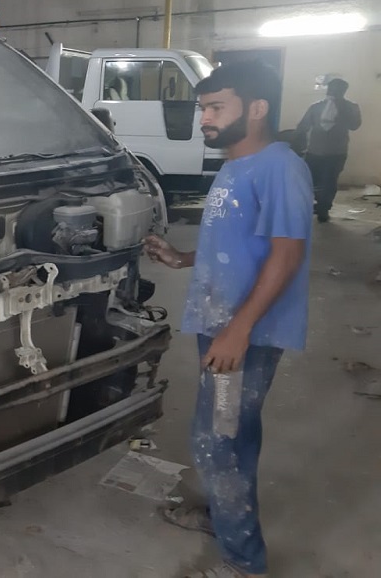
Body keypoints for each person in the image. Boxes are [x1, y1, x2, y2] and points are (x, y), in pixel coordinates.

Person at [144, 61, 312, 578]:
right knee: (233, 433)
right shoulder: (236, 165)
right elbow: (240, 244)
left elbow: (286, 254)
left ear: (257, 109)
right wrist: (183, 258)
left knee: (216, 439)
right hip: (222, 323)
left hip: (246, 332)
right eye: (203, 109)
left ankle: (243, 562)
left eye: (217, 108)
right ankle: (225, 516)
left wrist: (238, 331)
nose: (206, 119)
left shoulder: (279, 167)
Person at [297, 78, 362, 222]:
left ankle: (324, 208)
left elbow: (355, 125)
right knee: (309, 179)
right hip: (314, 150)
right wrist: (298, 144)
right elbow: (303, 126)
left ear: (344, 91)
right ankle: (314, 204)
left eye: (338, 89)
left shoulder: (351, 107)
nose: (333, 91)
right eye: (331, 88)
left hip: (336, 152)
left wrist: (343, 111)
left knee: (329, 181)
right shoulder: (316, 107)